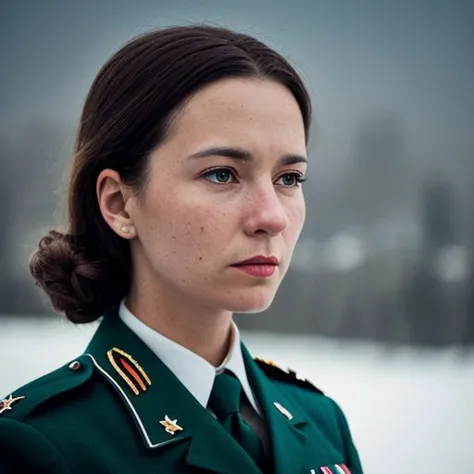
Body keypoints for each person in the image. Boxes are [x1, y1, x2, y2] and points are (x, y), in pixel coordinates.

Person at [0, 25, 363, 474]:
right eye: (221, 174)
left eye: (288, 178)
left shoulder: (323, 423)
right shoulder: (38, 444)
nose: (272, 217)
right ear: (119, 203)